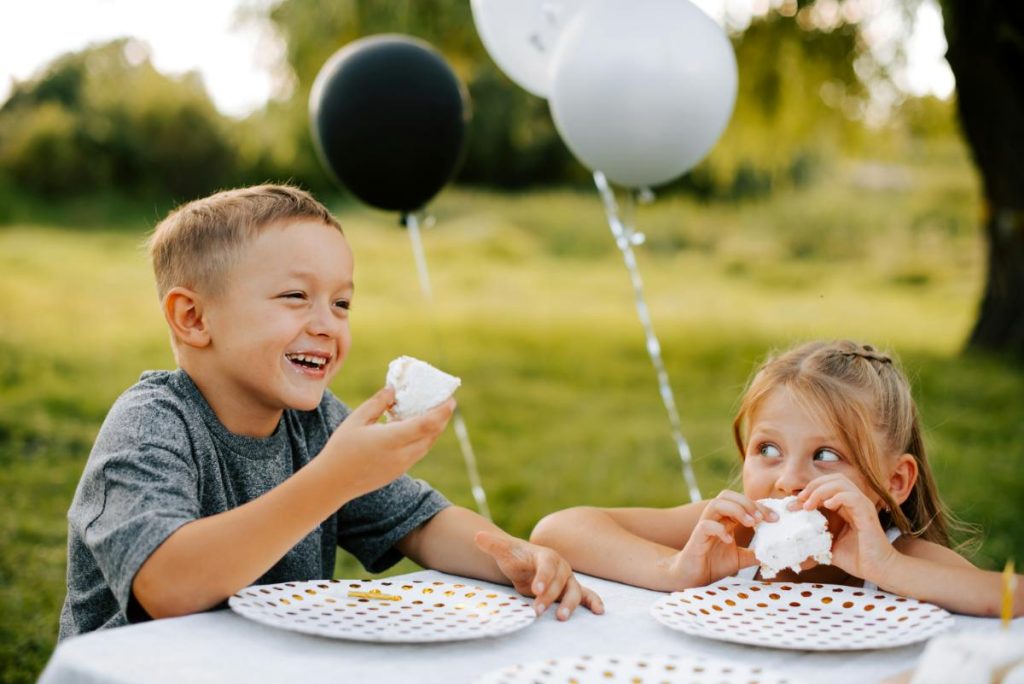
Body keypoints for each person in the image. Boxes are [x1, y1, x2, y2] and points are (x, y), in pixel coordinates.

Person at [59, 184, 603, 640]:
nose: (327, 324)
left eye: (342, 303)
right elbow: (168, 586)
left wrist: (510, 554)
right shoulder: (151, 425)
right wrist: (333, 479)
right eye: (296, 296)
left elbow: (420, 524)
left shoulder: (315, 422)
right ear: (193, 317)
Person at [531, 339, 1023, 617]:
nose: (788, 480)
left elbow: (1012, 601)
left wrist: (889, 569)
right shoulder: (731, 537)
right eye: (768, 449)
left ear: (894, 483)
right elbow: (559, 530)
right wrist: (676, 570)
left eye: (826, 455)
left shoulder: (905, 558)